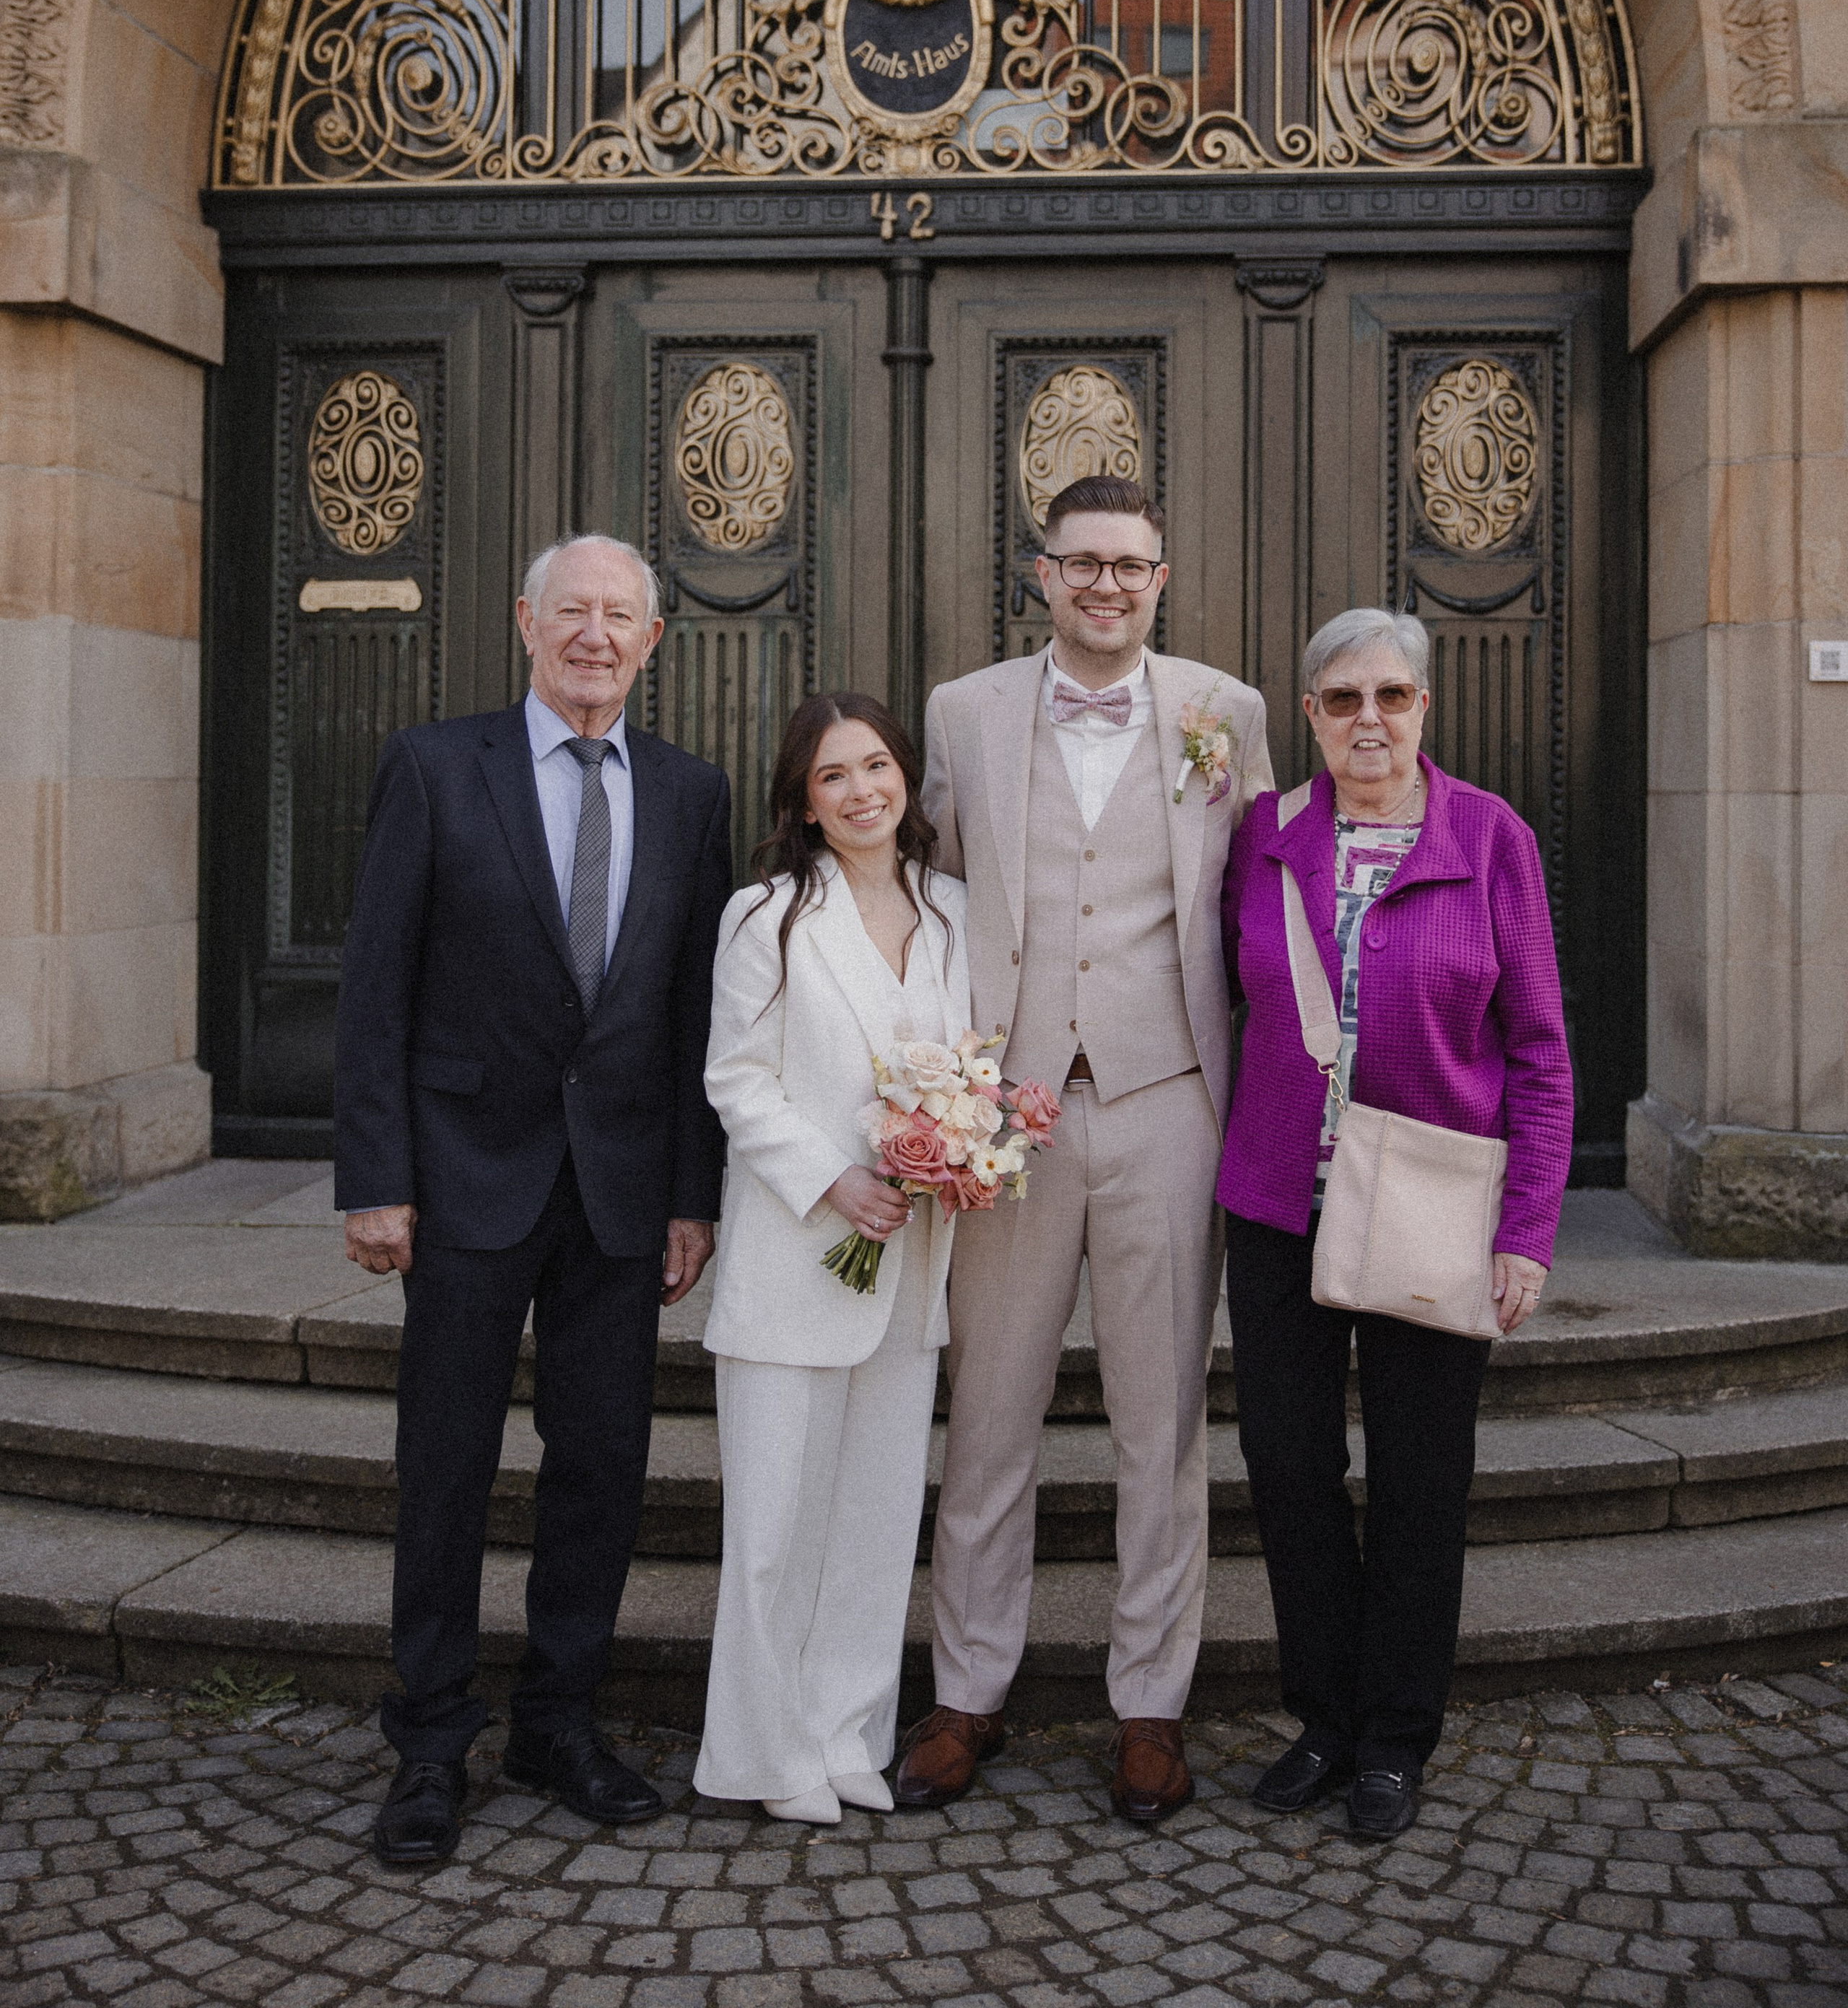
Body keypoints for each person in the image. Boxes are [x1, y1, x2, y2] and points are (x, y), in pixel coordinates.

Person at [334, 533, 731, 1864]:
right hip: (460, 1182)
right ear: (524, 620)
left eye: (622, 617)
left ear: (654, 640)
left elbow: (688, 1018)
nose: (596, 637)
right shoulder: (437, 768)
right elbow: (374, 987)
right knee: (446, 1467)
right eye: (575, 612)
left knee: (602, 1467)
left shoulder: (690, 794)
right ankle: (431, 1744)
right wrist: (376, 1179)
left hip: (619, 1194)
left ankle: (561, 1722)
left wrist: (693, 1192)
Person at [894, 476, 1273, 1825]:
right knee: (989, 1410)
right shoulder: (965, 712)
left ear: (1161, 577)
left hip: (1171, 1096)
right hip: (1007, 1107)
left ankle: (1151, 1707)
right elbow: (926, 890)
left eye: (1131, 566)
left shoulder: (1228, 714)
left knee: (1159, 1423)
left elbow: (1261, 907)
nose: (1107, 586)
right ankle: (966, 1695)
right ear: (1042, 575)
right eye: (1082, 565)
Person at [1217, 607, 1572, 1839]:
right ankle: (1323, 1715)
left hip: (1432, 1198)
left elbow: (1539, 1047)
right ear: (1307, 714)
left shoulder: (1490, 839)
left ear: (1425, 708)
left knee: (1421, 1480)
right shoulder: (1265, 839)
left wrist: (1525, 1228)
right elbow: (1233, 997)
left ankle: (1396, 1738)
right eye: (1342, 699)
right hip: (1278, 1206)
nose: (1369, 720)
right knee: (1290, 1467)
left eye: (1392, 697)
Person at [694, 694, 968, 1824]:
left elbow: (967, 1064)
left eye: (876, 768)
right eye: (833, 778)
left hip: (910, 1263)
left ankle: (849, 1734)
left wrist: (965, 1145)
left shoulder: (950, 910)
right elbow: (736, 1077)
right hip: (798, 1252)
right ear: (803, 805)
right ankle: (762, 1755)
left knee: (872, 1524)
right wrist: (832, 1177)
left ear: (906, 776)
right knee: (774, 1529)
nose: (863, 792)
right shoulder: (770, 915)